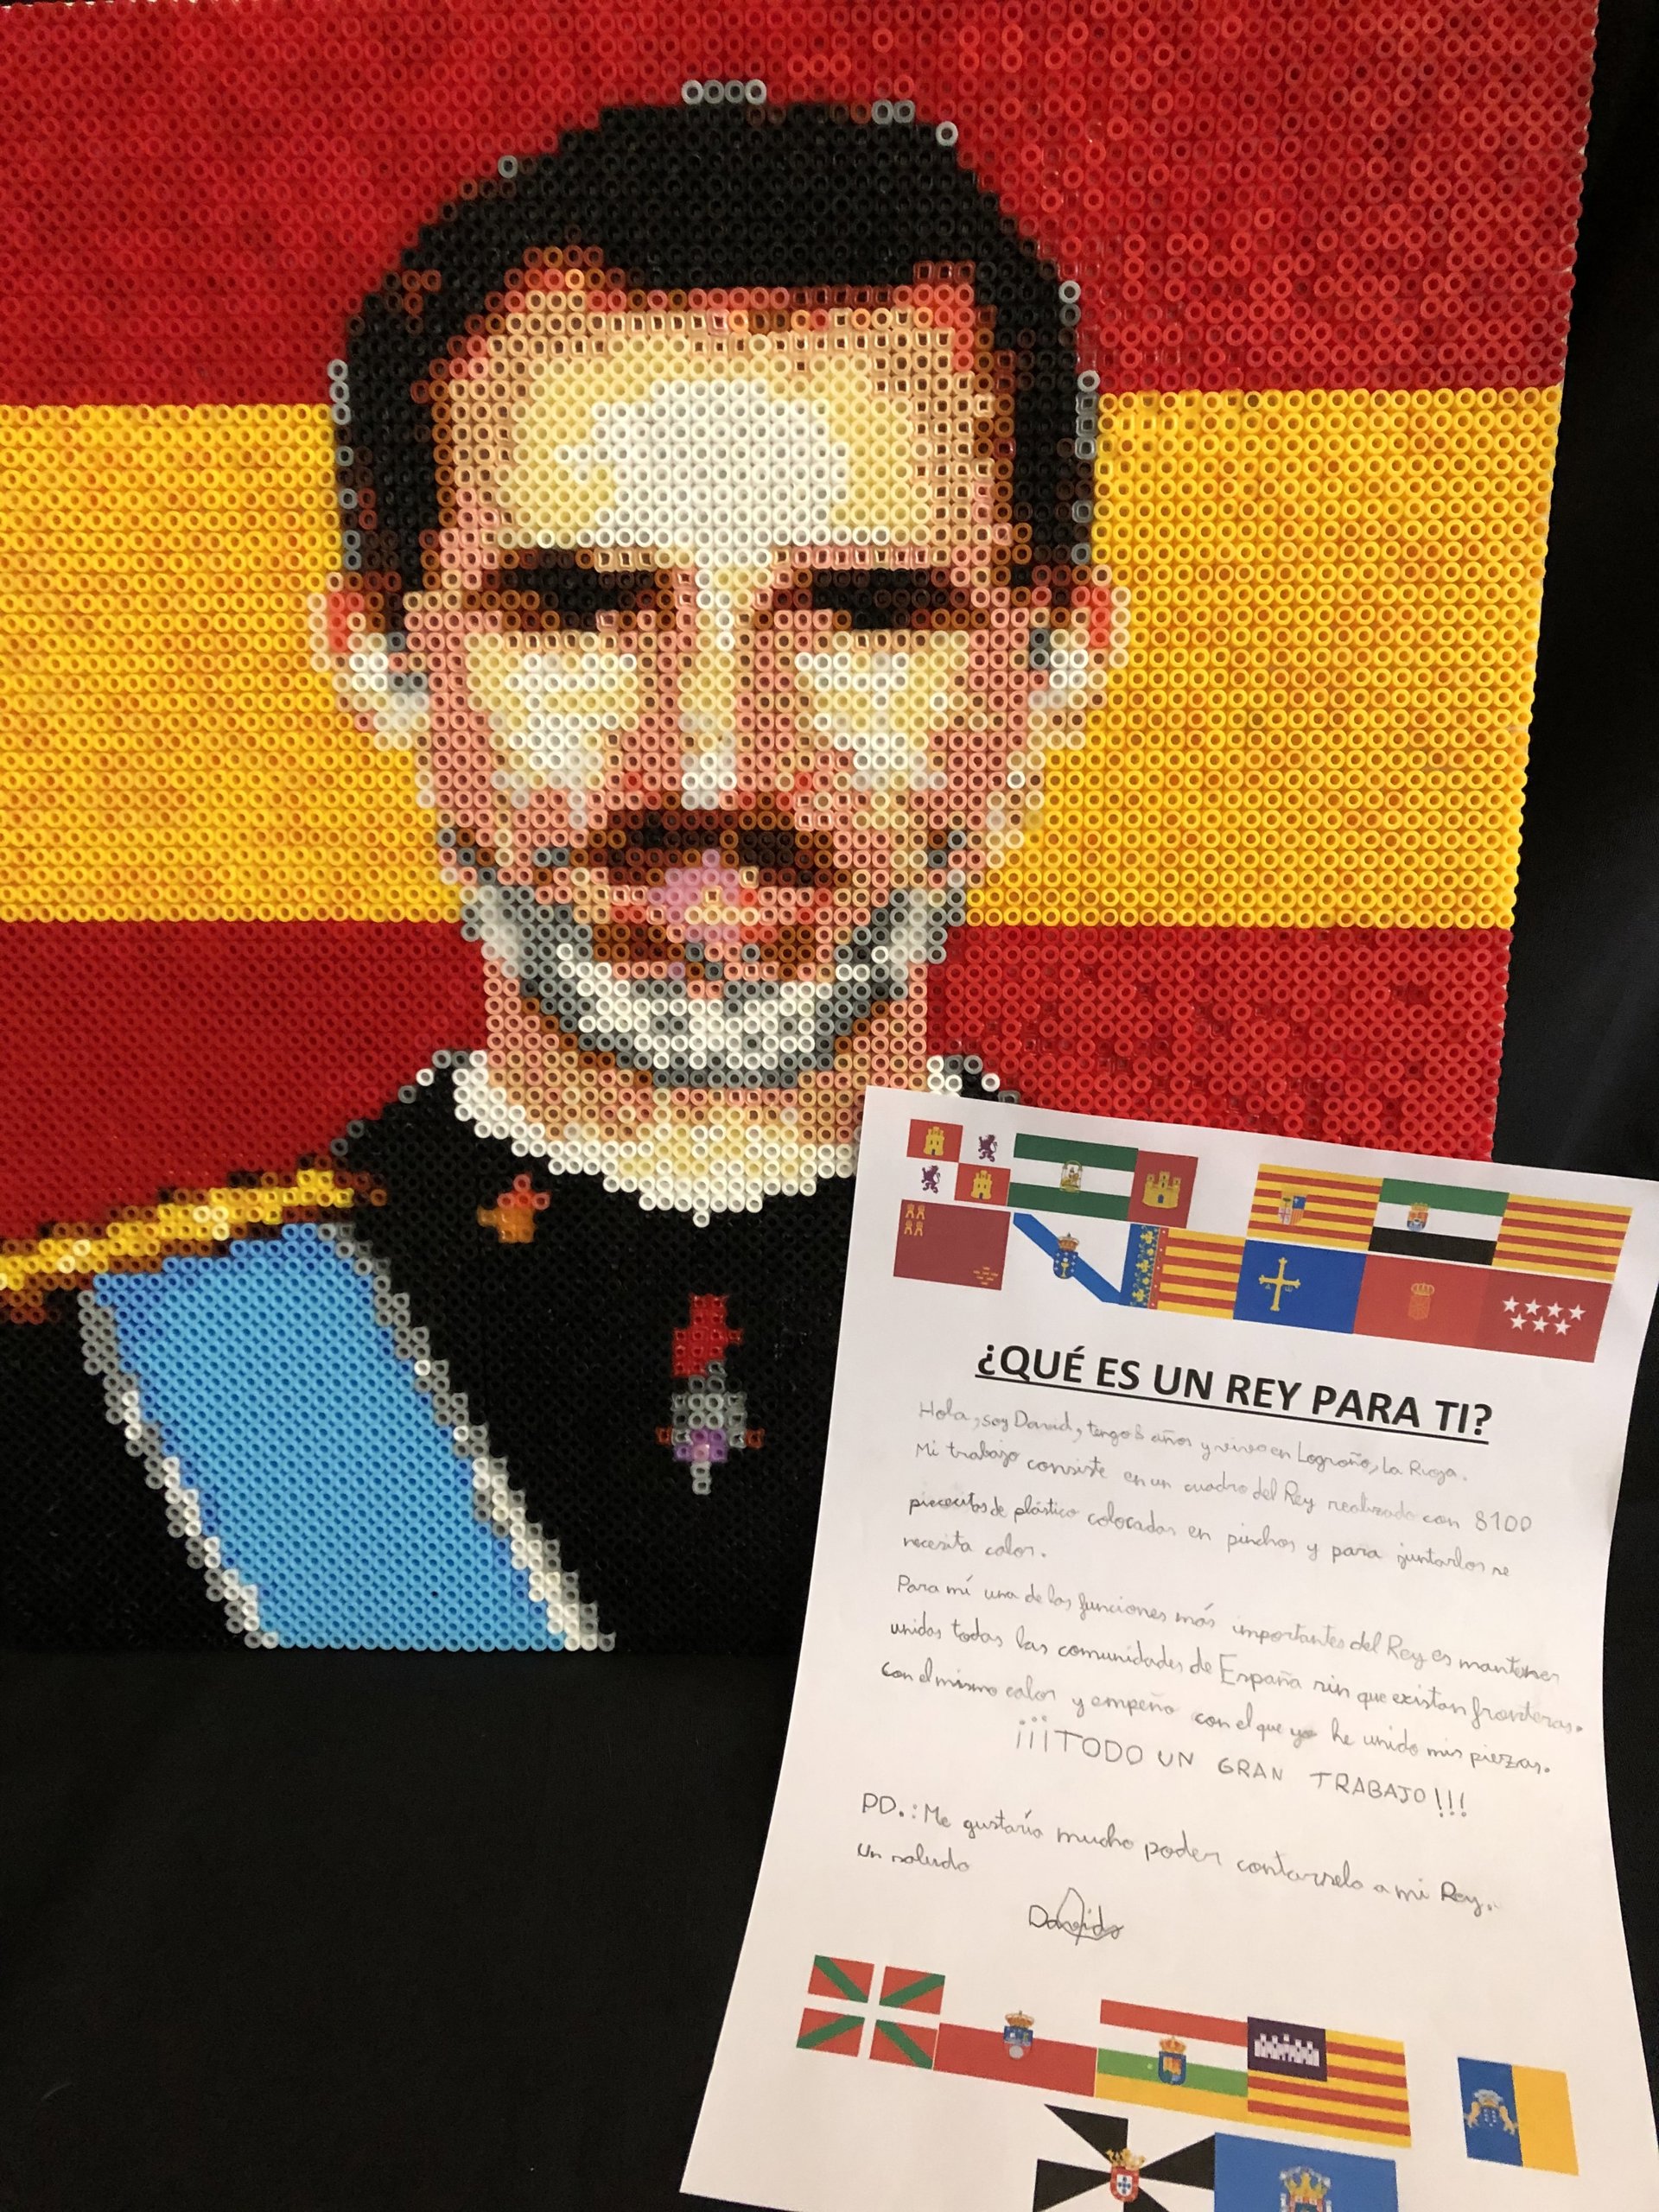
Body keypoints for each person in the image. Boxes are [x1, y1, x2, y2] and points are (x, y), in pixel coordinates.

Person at [0, 100, 1121, 1654]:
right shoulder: (70, 1413)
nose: (713, 764)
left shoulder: (1282, 1369)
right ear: (380, 651)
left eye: (866, 613)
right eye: (580, 609)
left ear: (1060, 664)